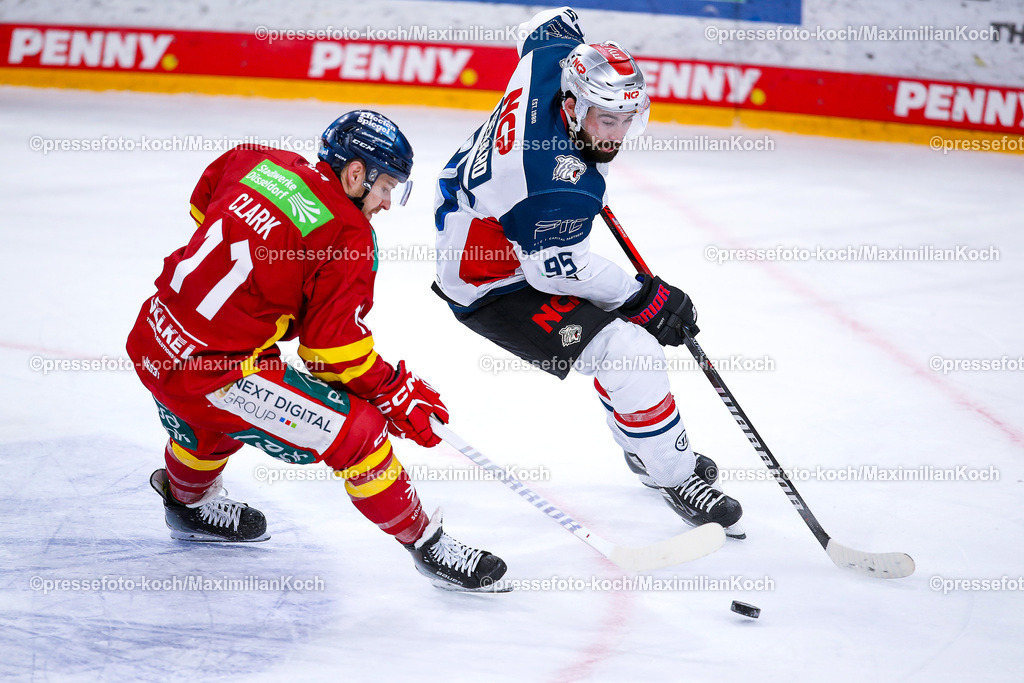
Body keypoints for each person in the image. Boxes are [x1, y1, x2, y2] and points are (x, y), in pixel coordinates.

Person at [126, 110, 507, 591]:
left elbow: (204, 208)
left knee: (224, 407)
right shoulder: (348, 235)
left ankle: (188, 502)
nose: (387, 203)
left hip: (154, 336)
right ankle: (427, 545)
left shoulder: (256, 160)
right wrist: (393, 389)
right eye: (385, 187)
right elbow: (331, 352)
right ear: (355, 173)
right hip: (211, 372)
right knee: (361, 434)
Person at [432, 7, 744, 536]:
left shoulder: (552, 60)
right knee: (630, 349)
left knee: (625, 347)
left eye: (627, 119)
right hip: (491, 280)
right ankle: (674, 475)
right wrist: (644, 298)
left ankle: (645, 449)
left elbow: (549, 22)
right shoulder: (551, 186)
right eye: (607, 120)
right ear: (573, 106)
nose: (617, 135)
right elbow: (557, 273)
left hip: (501, 224)